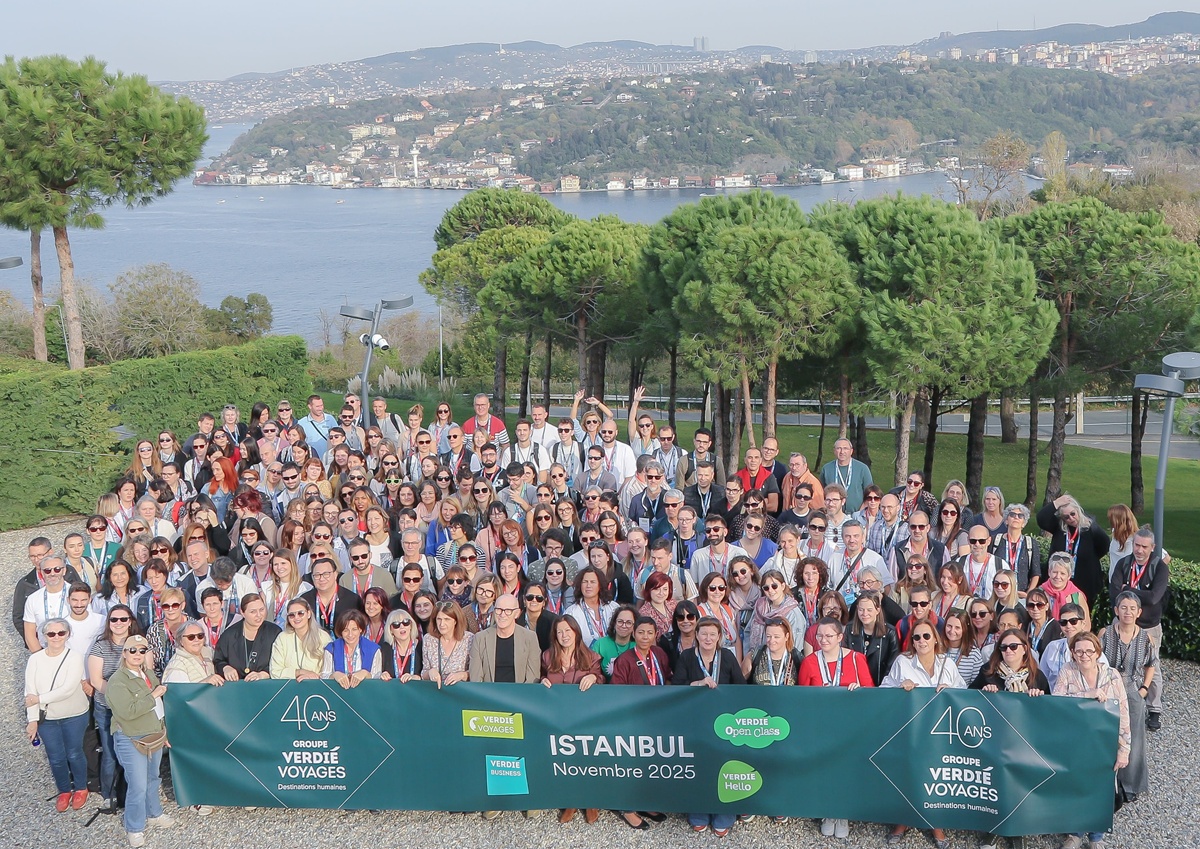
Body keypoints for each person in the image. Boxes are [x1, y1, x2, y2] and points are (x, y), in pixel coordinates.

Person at [880, 621, 965, 849]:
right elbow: (883, 690)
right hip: (911, 730)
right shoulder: (902, 662)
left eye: (926, 636)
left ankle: (935, 823)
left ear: (935, 638)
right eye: (916, 638)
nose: (922, 641)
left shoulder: (947, 663)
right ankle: (903, 820)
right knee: (908, 774)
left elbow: (965, 694)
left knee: (936, 777)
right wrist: (900, 685)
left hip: (940, 732)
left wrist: (951, 691)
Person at [1053, 632, 1130, 849]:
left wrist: (1124, 749)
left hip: (1104, 742)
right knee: (1075, 786)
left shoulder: (1112, 675)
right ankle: (1075, 833)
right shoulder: (1067, 671)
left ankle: (1096, 836)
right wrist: (1087, 694)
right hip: (1074, 741)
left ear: (1098, 652)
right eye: (1079, 651)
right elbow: (1056, 701)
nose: (1084, 655)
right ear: (1073, 653)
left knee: (1102, 788)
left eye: (1089, 651)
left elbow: (1124, 713)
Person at [800, 616, 873, 840]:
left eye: (829, 635)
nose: (823, 640)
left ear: (840, 637)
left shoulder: (856, 659)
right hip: (820, 727)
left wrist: (859, 689)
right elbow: (802, 697)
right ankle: (828, 812)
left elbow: (871, 692)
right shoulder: (810, 662)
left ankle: (843, 813)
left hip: (849, 727)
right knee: (825, 769)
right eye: (819, 635)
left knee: (845, 770)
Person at [674, 615, 744, 837]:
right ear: (696, 635)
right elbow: (676, 687)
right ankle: (699, 809)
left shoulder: (728, 657)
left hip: (725, 723)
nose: (707, 638)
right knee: (698, 766)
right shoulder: (686, 657)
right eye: (703, 633)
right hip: (695, 721)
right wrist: (698, 684)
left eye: (712, 634)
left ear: (719, 637)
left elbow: (741, 688)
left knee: (725, 765)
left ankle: (725, 811)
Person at [106, 633, 173, 847]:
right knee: (137, 786)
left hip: (153, 736)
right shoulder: (117, 681)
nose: (137, 654)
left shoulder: (148, 674)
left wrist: (164, 732)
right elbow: (128, 712)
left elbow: (159, 709)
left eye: (142, 650)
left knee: (153, 778)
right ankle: (134, 827)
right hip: (131, 737)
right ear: (124, 653)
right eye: (132, 650)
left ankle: (154, 814)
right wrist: (153, 695)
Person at [541, 615, 603, 825]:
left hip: (586, 719)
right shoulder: (548, 657)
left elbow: (603, 679)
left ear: (576, 632)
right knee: (564, 761)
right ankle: (571, 802)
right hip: (558, 719)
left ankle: (591, 801)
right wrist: (541, 681)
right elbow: (539, 678)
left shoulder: (591, 656)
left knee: (587, 760)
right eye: (560, 632)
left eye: (568, 631)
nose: (564, 635)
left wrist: (594, 677)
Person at [25, 618, 90, 812]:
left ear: (67, 634)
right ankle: (64, 789)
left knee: (74, 752)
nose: (56, 637)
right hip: (48, 718)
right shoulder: (35, 659)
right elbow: (29, 692)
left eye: (61, 633)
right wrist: (32, 720)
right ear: (44, 636)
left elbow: (68, 689)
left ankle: (80, 787)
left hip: (74, 714)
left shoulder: (75, 657)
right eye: (51, 634)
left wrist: (39, 698)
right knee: (55, 757)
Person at [1108, 527, 1168, 731]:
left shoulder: (1159, 567)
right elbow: (1113, 593)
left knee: (1153, 667)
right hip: (1122, 624)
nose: (1139, 550)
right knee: (1115, 661)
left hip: (1149, 626)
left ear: (1153, 548)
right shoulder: (1123, 564)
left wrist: (1129, 590)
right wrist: (1137, 593)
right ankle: (1116, 698)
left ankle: (1154, 709)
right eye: (1136, 545)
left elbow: (1154, 598)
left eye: (1144, 546)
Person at [1098, 592, 1155, 797]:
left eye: (1132, 608)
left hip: (1132, 690)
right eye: (1123, 607)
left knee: (1134, 739)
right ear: (1116, 610)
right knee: (1108, 736)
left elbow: (1151, 665)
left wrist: (1143, 690)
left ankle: (1131, 785)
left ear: (1139, 612)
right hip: (1109, 691)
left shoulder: (1145, 637)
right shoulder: (1105, 634)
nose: (1128, 612)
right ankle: (1107, 782)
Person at [88, 603, 139, 812]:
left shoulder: (138, 644)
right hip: (107, 707)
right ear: (109, 623)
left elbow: (146, 672)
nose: (118, 623)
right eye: (114, 619)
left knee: (132, 753)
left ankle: (129, 794)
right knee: (110, 753)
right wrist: (119, 697)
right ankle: (108, 794)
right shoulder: (100, 646)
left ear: (130, 622)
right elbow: (96, 679)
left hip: (133, 708)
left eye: (123, 619)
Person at [1036, 493, 1110, 609]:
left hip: (1085, 581)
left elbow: (1104, 545)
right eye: (1066, 517)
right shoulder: (1059, 527)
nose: (1070, 518)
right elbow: (1041, 519)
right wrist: (1057, 503)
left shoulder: (1090, 528)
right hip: (1059, 581)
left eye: (1072, 514)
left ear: (1078, 510)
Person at [214, 593, 281, 681]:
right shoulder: (230, 634)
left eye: (261, 610)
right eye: (253, 611)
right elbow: (218, 659)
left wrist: (263, 674)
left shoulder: (274, 632)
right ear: (242, 612)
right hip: (237, 687)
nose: (259, 615)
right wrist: (225, 668)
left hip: (266, 686)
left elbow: (282, 662)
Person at [745, 568, 806, 659]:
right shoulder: (759, 606)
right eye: (766, 588)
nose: (770, 590)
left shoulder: (793, 612)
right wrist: (749, 657)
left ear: (782, 586)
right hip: (756, 660)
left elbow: (796, 645)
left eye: (774, 586)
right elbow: (748, 632)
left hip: (782, 662)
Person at [844, 592, 900, 688]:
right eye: (861, 610)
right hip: (855, 687)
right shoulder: (849, 629)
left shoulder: (890, 632)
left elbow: (892, 665)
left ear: (877, 610)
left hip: (881, 688)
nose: (865, 614)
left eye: (869, 610)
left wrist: (882, 687)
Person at [269, 598, 332, 680]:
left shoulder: (323, 637)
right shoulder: (282, 638)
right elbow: (274, 672)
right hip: (289, 688)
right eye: (292, 615)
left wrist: (312, 677)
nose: (296, 618)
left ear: (309, 614)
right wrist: (300, 672)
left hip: (316, 688)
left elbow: (329, 671)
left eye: (300, 613)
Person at [1040, 602, 1094, 692]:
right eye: (1063, 622)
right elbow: (1041, 678)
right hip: (1057, 702)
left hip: (1085, 703)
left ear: (1083, 623)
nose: (1068, 626)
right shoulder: (1052, 647)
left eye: (1073, 621)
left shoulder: (1093, 650)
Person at [321, 609, 382, 686]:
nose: (350, 635)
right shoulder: (331, 648)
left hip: (364, 695)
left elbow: (378, 678)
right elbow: (324, 676)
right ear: (341, 631)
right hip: (338, 694)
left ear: (360, 629)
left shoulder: (373, 649)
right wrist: (334, 675)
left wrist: (365, 673)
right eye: (346, 630)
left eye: (354, 629)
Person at [993, 504, 1042, 595]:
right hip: (998, 591)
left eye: (1020, 516)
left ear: (1024, 523)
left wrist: (1029, 593)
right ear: (1006, 520)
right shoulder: (995, 541)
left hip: (1021, 593)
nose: (1016, 517)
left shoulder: (1030, 543)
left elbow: (1036, 573)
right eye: (1012, 515)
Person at [422, 602, 473, 686]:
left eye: (447, 619)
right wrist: (430, 672)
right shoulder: (429, 639)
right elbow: (423, 673)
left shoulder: (469, 639)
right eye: (439, 619)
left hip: (460, 691)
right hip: (436, 691)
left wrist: (462, 675)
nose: (442, 624)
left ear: (455, 621)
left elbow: (476, 673)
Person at [745, 617, 804, 687]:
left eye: (776, 637)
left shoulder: (796, 657)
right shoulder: (754, 656)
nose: (771, 641)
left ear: (786, 636)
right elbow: (740, 683)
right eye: (768, 636)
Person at [162, 619, 223, 686]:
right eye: (191, 637)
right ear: (181, 641)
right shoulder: (177, 665)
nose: (196, 640)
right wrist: (205, 682)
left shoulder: (210, 653)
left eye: (200, 636)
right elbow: (179, 693)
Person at [820, 438, 873, 512]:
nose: (842, 452)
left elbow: (870, 494)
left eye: (845, 448)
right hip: (833, 514)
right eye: (839, 448)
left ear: (851, 451)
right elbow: (821, 493)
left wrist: (859, 513)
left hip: (857, 514)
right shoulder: (827, 469)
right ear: (834, 451)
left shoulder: (862, 468)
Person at [943, 610, 993, 687]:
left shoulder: (973, 654)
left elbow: (977, 684)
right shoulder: (936, 649)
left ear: (965, 629)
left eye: (957, 628)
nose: (952, 631)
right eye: (949, 626)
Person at [1042, 553, 1085, 620]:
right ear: (1049, 572)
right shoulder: (1039, 592)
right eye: (1055, 572)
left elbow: (1086, 625)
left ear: (1069, 576)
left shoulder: (1077, 596)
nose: (1058, 576)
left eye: (1062, 573)